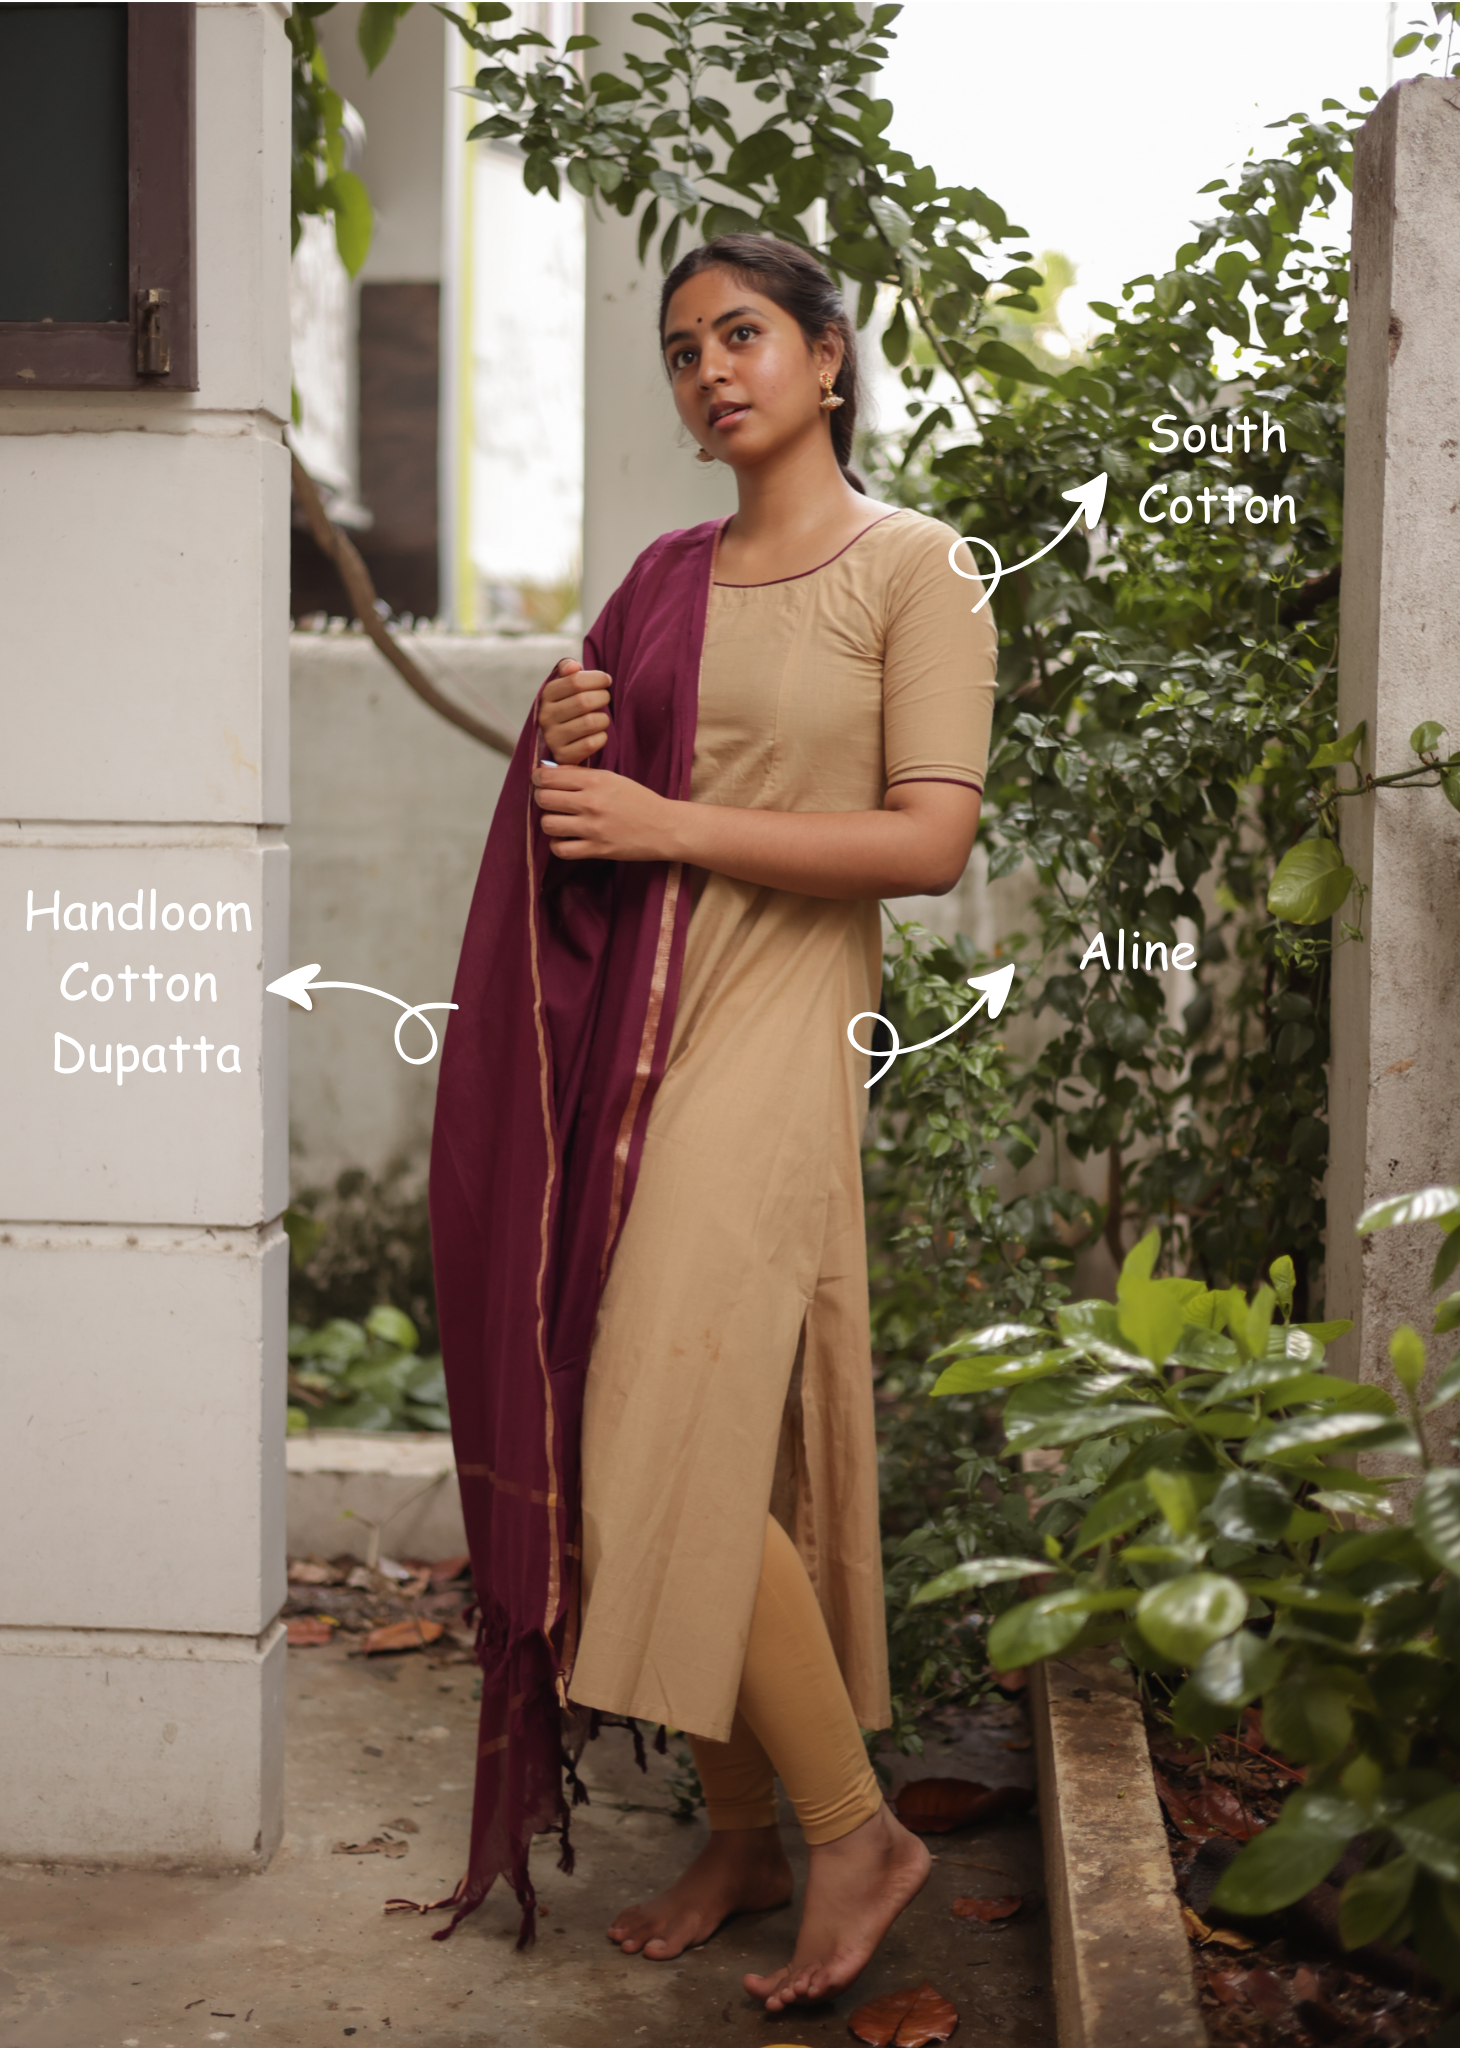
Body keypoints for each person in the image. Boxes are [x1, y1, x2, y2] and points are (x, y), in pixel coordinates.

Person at [428, 235, 995, 2015]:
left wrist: (661, 820)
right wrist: (574, 733)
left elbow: (926, 844)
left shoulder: (920, 570)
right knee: (699, 1436)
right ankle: (742, 1826)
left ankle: (856, 1830)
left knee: (653, 1410)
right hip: (642, 1041)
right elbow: (591, 809)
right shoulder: (659, 584)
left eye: (743, 336)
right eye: (682, 353)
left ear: (830, 356)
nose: (711, 373)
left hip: (780, 1023)